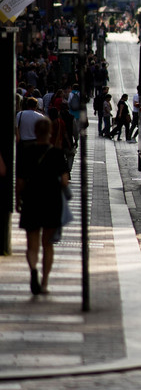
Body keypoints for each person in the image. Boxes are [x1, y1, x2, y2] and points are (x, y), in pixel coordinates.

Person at [15, 117, 69, 295]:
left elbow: (20, 182)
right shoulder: (56, 153)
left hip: (31, 200)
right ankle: (44, 282)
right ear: (50, 133)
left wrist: (18, 201)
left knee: (32, 244)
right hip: (51, 201)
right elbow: (64, 180)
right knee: (48, 244)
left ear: (36, 132)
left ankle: (33, 270)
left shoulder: (25, 152)